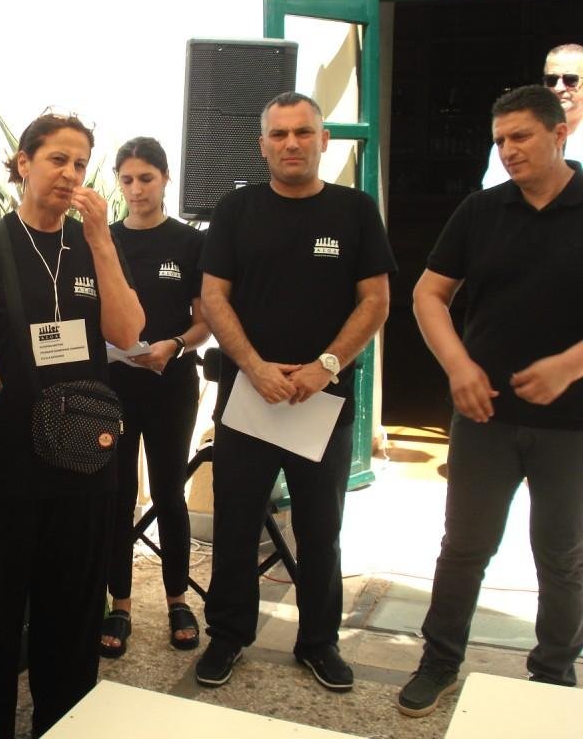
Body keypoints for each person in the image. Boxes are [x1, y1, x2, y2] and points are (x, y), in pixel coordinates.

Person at [0, 111, 144, 737]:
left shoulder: (92, 244)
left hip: (83, 465)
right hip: (4, 469)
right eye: (57, 159)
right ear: (24, 163)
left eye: (80, 163)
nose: (70, 174)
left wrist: (102, 241)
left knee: (73, 625)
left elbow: (127, 331)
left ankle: (62, 726)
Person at [196, 92, 395, 691]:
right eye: (279, 134)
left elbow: (376, 300)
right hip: (248, 399)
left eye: (303, 132)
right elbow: (213, 297)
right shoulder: (236, 209)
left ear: (323, 140)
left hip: (322, 402)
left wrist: (325, 366)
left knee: (320, 530)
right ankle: (228, 635)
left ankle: (319, 642)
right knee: (236, 525)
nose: (291, 144)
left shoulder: (355, 211)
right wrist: (255, 366)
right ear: (262, 145)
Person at [398, 84, 583, 717]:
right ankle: (439, 661)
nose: (508, 150)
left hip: (572, 424)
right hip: (484, 416)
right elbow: (427, 295)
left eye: (521, 136)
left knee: (561, 555)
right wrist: (458, 367)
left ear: (559, 133)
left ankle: (553, 675)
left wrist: (568, 366)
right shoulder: (481, 211)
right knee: (464, 547)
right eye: (500, 140)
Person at [100, 137, 209, 659]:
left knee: (169, 492)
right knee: (118, 493)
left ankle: (177, 601)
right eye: (127, 180)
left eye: (146, 178)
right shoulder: (104, 240)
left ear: (165, 178)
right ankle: (119, 604)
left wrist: (176, 345)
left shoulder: (189, 242)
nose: (137, 189)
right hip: (114, 386)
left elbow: (206, 321)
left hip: (171, 383)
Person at [481, 43, 583, 187]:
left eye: (570, 80)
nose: (559, 88)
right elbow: (495, 195)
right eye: (551, 80)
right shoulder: (510, 141)